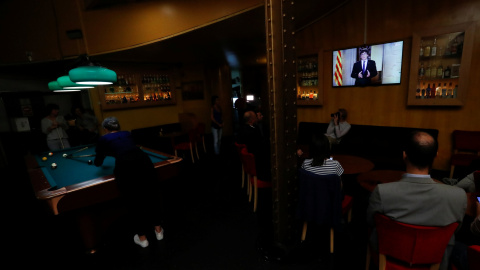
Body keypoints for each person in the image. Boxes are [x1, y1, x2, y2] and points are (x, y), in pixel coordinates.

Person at [366, 131, 467, 270]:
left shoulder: (382, 192)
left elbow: (370, 221)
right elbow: (456, 230)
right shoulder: (458, 196)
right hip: (436, 262)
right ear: (435, 156)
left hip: (389, 261)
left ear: (404, 155)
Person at [94, 117, 164, 248]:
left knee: (133, 201)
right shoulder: (127, 133)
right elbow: (126, 147)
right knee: (152, 196)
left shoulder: (104, 138)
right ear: (118, 127)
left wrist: (97, 162)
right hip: (144, 162)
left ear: (105, 129)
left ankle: (143, 240)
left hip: (125, 167)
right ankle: (159, 231)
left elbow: (99, 160)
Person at [237, 110, 271, 182]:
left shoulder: (242, 128)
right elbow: (260, 141)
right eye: (255, 117)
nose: (257, 118)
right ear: (252, 120)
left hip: (247, 157)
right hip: (254, 158)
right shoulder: (252, 132)